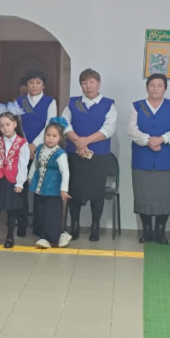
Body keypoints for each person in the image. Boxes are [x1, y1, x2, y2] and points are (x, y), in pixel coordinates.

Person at [127, 74, 170, 246]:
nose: (155, 88)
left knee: (164, 195)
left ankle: (160, 231)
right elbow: (131, 129)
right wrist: (148, 141)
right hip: (142, 158)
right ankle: (146, 231)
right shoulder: (137, 106)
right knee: (143, 194)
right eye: (152, 85)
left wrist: (162, 139)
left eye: (159, 85)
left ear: (165, 88)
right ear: (147, 87)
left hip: (167, 159)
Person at [62, 69, 117, 242]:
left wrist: (85, 141)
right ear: (81, 85)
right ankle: (75, 226)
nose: (88, 86)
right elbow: (64, 124)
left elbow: (108, 129)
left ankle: (95, 226)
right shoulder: (73, 103)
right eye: (84, 83)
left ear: (98, 84)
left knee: (96, 191)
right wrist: (78, 141)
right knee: (75, 191)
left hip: (98, 155)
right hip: (75, 153)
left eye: (92, 82)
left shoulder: (108, 104)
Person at [16, 70, 56, 236]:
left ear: (43, 85)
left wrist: (34, 145)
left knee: (40, 188)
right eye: (31, 82)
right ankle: (22, 224)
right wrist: (26, 146)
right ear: (26, 84)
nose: (34, 86)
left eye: (38, 83)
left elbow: (49, 125)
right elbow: (17, 125)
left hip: (42, 148)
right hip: (22, 148)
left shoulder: (50, 101)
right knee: (21, 187)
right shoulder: (19, 101)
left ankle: (39, 226)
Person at [0, 109, 29, 249]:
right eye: (1, 126)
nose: (5, 128)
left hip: (12, 180)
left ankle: (10, 237)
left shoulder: (22, 142)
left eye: (8, 124)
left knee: (11, 210)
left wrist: (20, 183)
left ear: (15, 124)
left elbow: (23, 164)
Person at [28, 119, 72, 249]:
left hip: (53, 187)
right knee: (41, 212)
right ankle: (59, 234)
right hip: (40, 186)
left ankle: (49, 238)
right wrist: (30, 177)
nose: (50, 138)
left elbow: (65, 173)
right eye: (48, 135)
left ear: (60, 138)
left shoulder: (60, 154)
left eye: (54, 136)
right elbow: (35, 164)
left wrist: (64, 189)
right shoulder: (40, 148)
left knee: (52, 213)